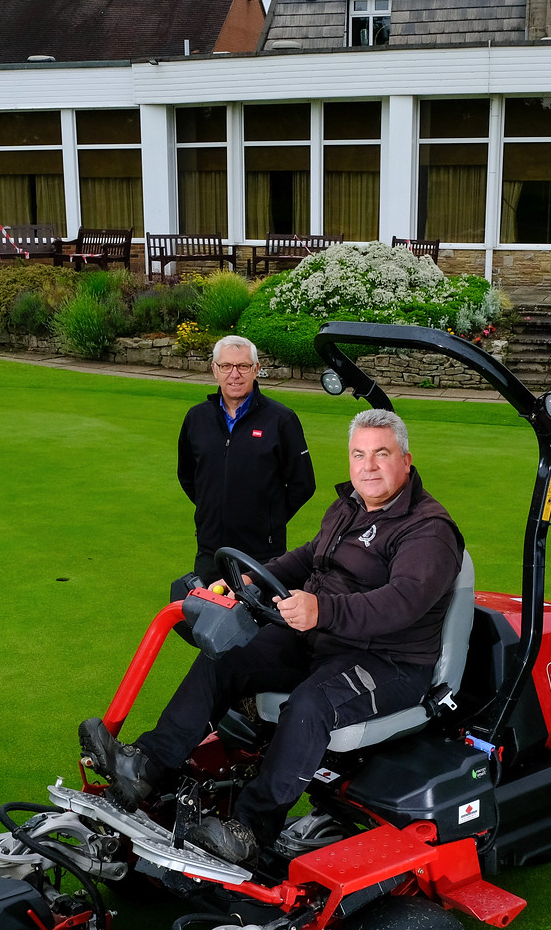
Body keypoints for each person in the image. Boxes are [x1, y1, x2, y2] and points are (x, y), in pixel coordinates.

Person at [83, 409, 461, 866]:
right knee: (230, 655)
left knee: (310, 704)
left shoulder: (428, 530)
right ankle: (147, 766)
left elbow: (402, 602)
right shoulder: (349, 507)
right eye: (359, 454)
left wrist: (322, 610)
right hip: (324, 641)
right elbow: (306, 559)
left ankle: (251, 828)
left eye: (381, 453)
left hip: (389, 661)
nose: (369, 466)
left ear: (406, 459)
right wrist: (246, 581)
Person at [177, 335, 315, 587]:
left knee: (263, 625)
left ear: (256, 370)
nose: (235, 374)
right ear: (214, 370)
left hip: (263, 555)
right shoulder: (197, 418)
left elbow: (303, 484)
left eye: (243, 366)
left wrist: (269, 520)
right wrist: (214, 509)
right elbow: (188, 476)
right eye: (226, 366)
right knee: (208, 623)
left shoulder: (281, 419)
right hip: (211, 554)